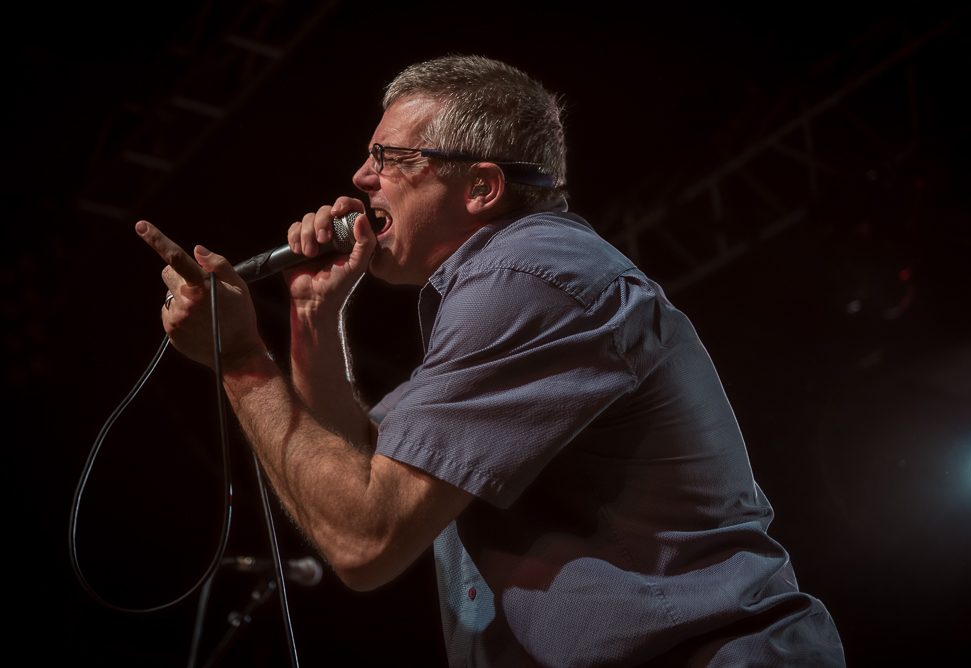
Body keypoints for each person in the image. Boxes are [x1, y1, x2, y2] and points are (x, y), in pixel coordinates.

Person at [137, 56, 844, 666]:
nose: (360, 177)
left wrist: (240, 360)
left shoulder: (530, 277)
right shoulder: (501, 289)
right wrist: (313, 319)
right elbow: (358, 474)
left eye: (389, 158)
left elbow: (364, 536)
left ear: (481, 187)